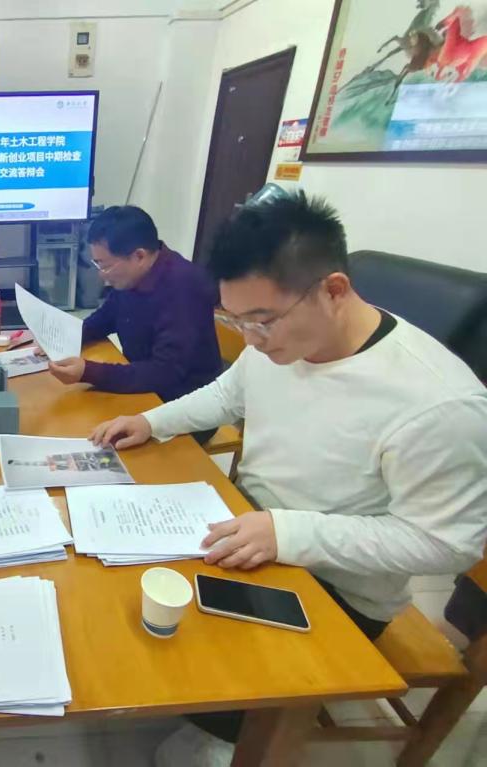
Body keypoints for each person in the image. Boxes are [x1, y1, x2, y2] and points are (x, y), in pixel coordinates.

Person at [89, 192, 487, 766]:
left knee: (181, 667)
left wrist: (287, 532)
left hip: (335, 588)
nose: (250, 339)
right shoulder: (283, 341)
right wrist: (151, 421)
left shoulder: (439, 405)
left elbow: (448, 543)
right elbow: (226, 394)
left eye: (261, 321)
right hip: (248, 526)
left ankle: (233, 733)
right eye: (234, 320)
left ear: (334, 290)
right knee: (116, 600)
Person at [48, 206, 223, 420]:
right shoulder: (132, 277)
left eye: (105, 266)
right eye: (97, 264)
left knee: (81, 423)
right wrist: (63, 338)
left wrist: (88, 371)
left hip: (181, 406)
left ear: (139, 256)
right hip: (145, 388)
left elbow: (164, 372)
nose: (102, 275)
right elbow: (106, 317)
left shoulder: (184, 287)